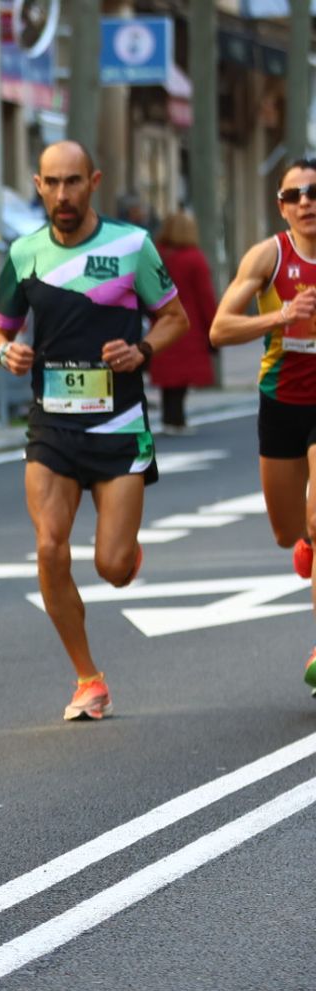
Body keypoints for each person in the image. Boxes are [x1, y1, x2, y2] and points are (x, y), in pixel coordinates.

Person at [0, 141, 188, 721]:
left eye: (73, 182)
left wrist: (142, 349)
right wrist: (8, 355)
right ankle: (87, 678)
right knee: (50, 548)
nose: (62, 195)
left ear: (93, 181)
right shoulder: (24, 253)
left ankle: (125, 552)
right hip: (52, 426)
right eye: (51, 183)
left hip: (119, 423)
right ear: (38, 183)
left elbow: (175, 318)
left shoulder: (132, 246)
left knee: (112, 569)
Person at [208, 157, 316, 691]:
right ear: (281, 205)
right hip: (281, 401)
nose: (305, 202)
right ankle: (305, 542)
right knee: (287, 531)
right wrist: (280, 316)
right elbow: (219, 329)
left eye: (313, 192)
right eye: (293, 194)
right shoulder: (268, 256)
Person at [152, 212, 218, 434]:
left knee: (167, 375)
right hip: (189, 324)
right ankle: (177, 419)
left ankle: (169, 419)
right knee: (181, 376)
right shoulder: (194, 258)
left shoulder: (158, 256)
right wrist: (213, 326)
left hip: (160, 321)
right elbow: (205, 296)